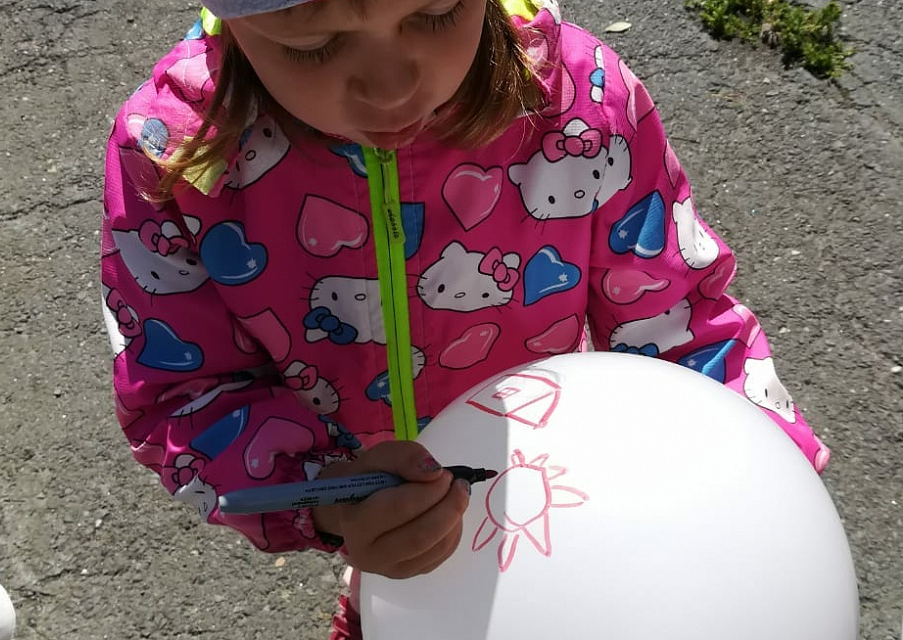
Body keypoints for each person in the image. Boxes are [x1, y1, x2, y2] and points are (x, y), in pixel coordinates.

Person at [101, 0, 830, 636]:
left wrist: (767, 478)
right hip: (396, 552)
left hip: (587, 509)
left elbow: (680, 320)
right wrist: (331, 498)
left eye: (436, 13)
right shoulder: (174, 159)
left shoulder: (581, 105)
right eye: (313, 45)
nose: (391, 88)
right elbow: (183, 395)